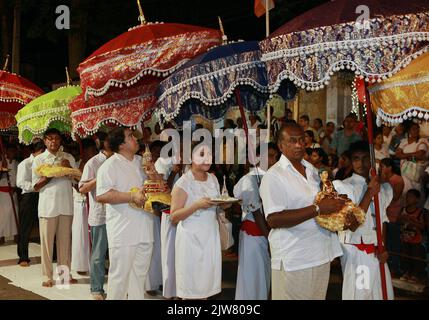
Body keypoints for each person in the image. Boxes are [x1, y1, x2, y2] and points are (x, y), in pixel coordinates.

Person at [259, 123, 344, 300]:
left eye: (301, 140)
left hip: (320, 253)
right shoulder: (273, 176)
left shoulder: (312, 170)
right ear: (281, 145)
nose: (298, 145)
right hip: (294, 258)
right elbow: (273, 219)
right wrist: (318, 208)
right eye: (292, 141)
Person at [96, 127, 154, 300]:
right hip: (123, 230)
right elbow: (101, 195)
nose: (135, 139)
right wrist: (131, 196)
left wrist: (154, 175)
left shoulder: (141, 161)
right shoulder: (109, 166)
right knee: (119, 278)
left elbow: (155, 188)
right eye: (130, 137)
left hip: (145, 226)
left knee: (139, 277)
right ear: (121, 145)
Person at [333, 141, 394, 300]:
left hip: (377, 251)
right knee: (361, 294)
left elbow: (383, 221)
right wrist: (368, 194)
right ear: (351, 161)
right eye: (356, 159)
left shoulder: (382, 187)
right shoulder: (344, 187)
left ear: (372, 161)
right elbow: (351, 224)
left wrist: (383, 247)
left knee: (381, 294)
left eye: (365, 158)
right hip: (357, 252)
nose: (361, 163)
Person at [170, 142, 229, 299]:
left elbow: (217, 207)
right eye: (202, 155)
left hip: (210, 237)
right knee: (191, 286)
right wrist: (196, 205)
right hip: (190, 239)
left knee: (206, 286)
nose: (207, 159)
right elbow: (174, 216)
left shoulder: (213, 179)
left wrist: (225, 204)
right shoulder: (184, 182)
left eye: (209, 155)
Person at [32, 128, 77, 287]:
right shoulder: (39, 160)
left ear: (60, 141)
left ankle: (64, 276)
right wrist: (50, 175)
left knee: (65, 244)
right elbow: (35, 187)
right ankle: (47, 276)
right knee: (46, 244)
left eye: (57, 139)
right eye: (50, 139)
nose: (54, 142)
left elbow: (78, 182)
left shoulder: (68, 157)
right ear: (44, 141)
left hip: (66, 206)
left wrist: (69, 168)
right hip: (47, 207)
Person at [234, 143, 279, 300]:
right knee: (252, 277)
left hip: (269, 233)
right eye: (268, 155)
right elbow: (256, 212)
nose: (272, 160)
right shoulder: (250, 178)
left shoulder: (274, 177)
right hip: (255, 234)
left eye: (275, 156)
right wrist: (269, 239)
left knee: (265, 277)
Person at [79, 133, 113, 300]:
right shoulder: (93, 162)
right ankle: (97, 289)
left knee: (117, 254)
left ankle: (116, 287)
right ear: (104, 143)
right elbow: (82, 188)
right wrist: (99, 177)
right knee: (99, 254)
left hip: (120, 215)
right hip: (100, 215)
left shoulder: (121, 161)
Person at [16, 141, 45, 266]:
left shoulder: (45, 163)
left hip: (43, 196)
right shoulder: (25, 163)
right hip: (29, 197)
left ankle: (52, 254)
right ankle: (23, 257)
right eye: (43, 153)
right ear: (37, 152)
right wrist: (36, 187)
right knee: (25, 228)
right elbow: (20, 183)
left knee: (45, 225)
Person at [71, 139, 98, 275]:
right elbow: (78, 185)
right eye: (91, 151)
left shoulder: (94, 163)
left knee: (91, 235)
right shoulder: (80, 163)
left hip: (92, 202)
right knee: (81, 234)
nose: (93, 153)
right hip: (81, 202)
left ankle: (93, 263)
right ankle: (82, 264)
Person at [380, 158, 404, 278]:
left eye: (383, 166)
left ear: (389, 167)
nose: (381, 169)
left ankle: (395, 268)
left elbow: (395, 197)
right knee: (386, 242)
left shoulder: (397, 179)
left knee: (394, 243)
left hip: (394, 214)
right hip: (385, 214)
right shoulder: (383, 179)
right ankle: (387, 267)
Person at [398, 189, 426, 283]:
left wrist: (413, 222)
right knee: (405, 256)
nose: (408, 199)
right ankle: (406, 272)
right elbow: (398, 220)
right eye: (407, 196)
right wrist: (402, 219)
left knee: (415, 257)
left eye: (411, 197)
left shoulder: (419, 212)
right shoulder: (403, 210)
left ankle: (415, 275)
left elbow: (423, 226)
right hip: (405, 239)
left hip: (415, 240)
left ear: (417, 200)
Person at [396, 123, 428, 196]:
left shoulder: (422, 140)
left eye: (417, 129)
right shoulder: (404, 141)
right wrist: (411, 156)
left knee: (417, 190)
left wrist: (404, 155)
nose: (416, 130)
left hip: (416, 171)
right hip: (404, 171)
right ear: (409, 131)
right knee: (406, 190)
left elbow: (420, 154)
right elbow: (397, 154)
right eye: (413, 129)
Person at [0, 144, 18, 245]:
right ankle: (1, 236)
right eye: (10, 151)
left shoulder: (17, 164)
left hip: (13, 193)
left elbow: (19, 180)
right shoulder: (2, 162)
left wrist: (15, 189)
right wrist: (2, 170)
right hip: (2, 194)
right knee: (2, 216)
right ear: (6, 151)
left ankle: (16, 235)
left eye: (13, 151)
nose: (12, 153)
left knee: (13, 214)